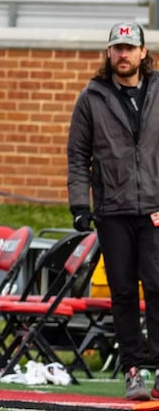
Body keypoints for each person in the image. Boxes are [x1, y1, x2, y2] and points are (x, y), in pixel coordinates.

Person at [67, 21, 159, 401]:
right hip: (112, 210)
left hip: (154, 209)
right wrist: (79, 204)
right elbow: (77, 156)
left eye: (129, 48)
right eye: (117, 48)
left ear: (142, 52)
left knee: (157, 286)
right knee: (122, 292)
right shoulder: (91, 98)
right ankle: (133, 370)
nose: (123, 54)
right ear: (109, 53)